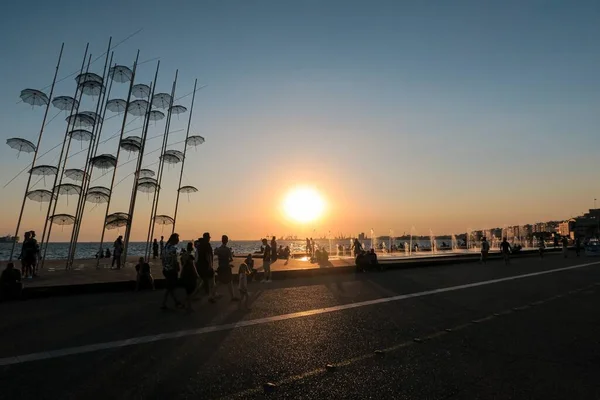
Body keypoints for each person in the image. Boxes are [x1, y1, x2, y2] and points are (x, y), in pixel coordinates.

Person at [161, 233, 183, 310]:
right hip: (172, 270)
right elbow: (175, 260)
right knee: (170, 287)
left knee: (170, 287)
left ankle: (175, 302)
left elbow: (163, 259)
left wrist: (164, 267)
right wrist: (178, 267)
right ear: (175, 239)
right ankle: (167, 303)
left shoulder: (165, 247)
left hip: (166, 270)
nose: (178, 240)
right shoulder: (173, 248)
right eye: (177, 239)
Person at [214, 235, 238, 301]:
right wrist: (228, 261)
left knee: (219, 281)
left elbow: (215, 253)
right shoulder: (227, 249)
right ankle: (232, 296)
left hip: (220, 267)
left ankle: (212, 294)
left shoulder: (218, 249)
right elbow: (231, 259)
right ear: (227, 241)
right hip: (226, 268)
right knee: (230, 282)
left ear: (222, 241)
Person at [196, 232, 216, 303]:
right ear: (207, 238)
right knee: (212, 282)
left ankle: (196, 293)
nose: (209, 239)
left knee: (203, 280)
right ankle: (211, 297)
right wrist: (210, 266)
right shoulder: (207, 245)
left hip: (200, 266)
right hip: (206, 266)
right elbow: (208, 256)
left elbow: (197, 255)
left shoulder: (199, 245)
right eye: (208, 238)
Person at [180, 242, 199, 312]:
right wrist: (196, 274)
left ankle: (185, 304)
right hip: (190, 274)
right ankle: (189, 306)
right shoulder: (190, 256)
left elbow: (182, 263)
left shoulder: (183, 255)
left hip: (184, 273)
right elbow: (193, 266)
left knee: (188, 291)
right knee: (191, 290)